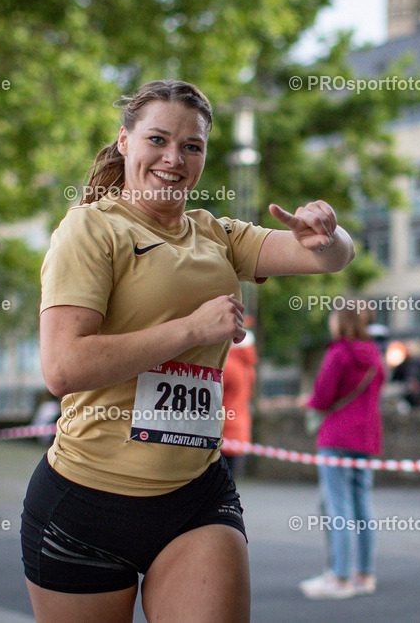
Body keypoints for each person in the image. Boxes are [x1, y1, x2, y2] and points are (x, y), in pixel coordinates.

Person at [20, 80, 355, 623]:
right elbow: (63, 368)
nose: (173, 159)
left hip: (194, 495)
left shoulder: (216, 234)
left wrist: (328, 234)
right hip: (88, 499)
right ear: (125, 141)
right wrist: (191, 329)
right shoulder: (91, 228)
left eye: (192, 146)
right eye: (158, 139)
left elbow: (327, 258)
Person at [298, 307, 385, 600]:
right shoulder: (374, 354)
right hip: (366, 437)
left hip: (337, 436)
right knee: (361, 506)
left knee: (337, 507)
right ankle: (364, 574)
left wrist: (307, 401)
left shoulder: (338, 354)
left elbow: (322, 397)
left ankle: (340, 577)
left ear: (342, 322)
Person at [221, 324, 258, 477]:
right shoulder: (248, 367)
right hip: (240, 429)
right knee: (230, 479)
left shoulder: (228, 365)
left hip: (224, 428)